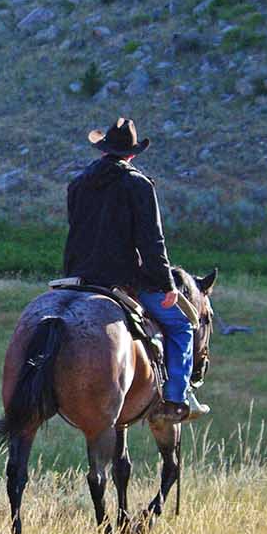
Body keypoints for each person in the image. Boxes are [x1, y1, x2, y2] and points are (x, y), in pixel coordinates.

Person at [62, 118, 207, 424]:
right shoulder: (139, 184)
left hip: (79, 277)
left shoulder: (77, 184)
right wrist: (167, 284)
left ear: (103, 151)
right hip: (123, 280)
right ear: (132, 154)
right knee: (183, 327)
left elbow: (77, 232)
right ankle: (175, 398)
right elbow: (152, 241)